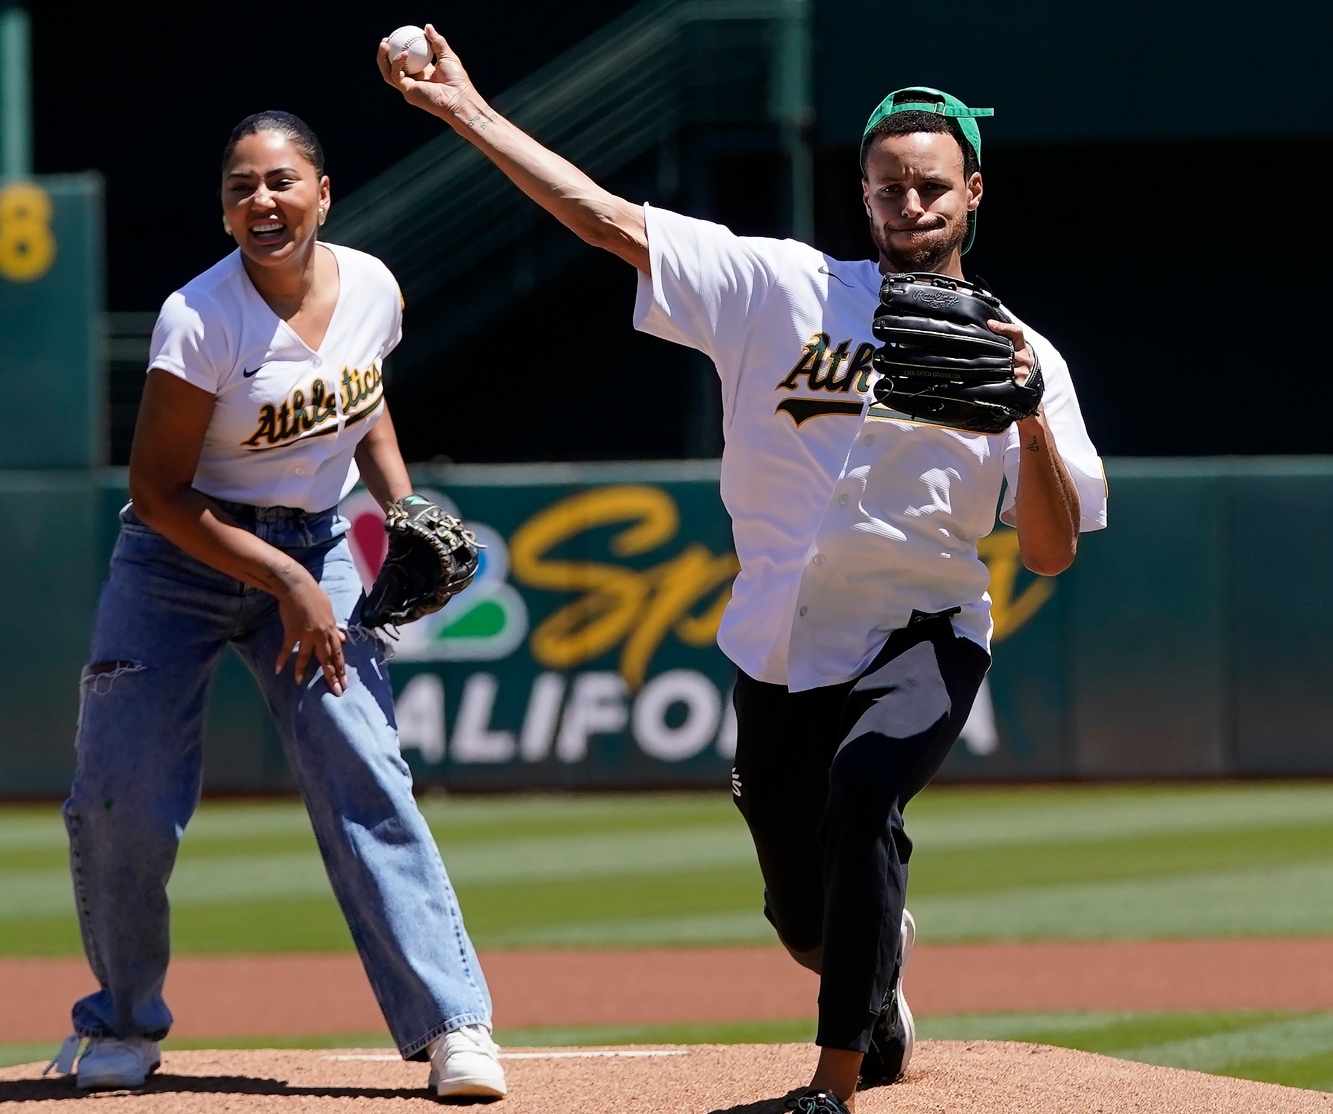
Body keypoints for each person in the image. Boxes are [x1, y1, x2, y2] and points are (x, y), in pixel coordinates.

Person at [379, 32, 1107, 1114]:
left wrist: (1031, 419)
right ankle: (875, 970)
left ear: (974, 192)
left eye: (932, 186)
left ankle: (834, 1079)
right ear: (862, 193)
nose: (911, 204)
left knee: (865, 793)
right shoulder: (780, 287)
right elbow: (605, 218)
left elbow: (1049, 548)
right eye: (890, 185)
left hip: (925, 628)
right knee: (803, 920)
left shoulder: (1022, 355)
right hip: (774, 637)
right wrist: (466, 110)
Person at [50, 110, 505, 1101]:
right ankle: (122, 1023)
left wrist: (401, 501)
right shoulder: (201, 318)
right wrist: (291, 582)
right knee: (119, 798)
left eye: (283, 180)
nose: (264, 200)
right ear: (224, 212)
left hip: (317, 536)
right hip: (181, 559)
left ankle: (452, 1025)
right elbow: (161, 493)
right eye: (243, 187)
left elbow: (363, 393)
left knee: (363, 768)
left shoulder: (372, 286)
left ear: (323, 194)